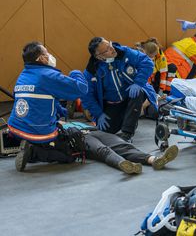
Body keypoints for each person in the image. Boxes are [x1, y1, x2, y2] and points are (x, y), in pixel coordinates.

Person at [7, 41, 88, 171]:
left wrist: (59, 110)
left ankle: (30, 146)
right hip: (38, 131)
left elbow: (39, 97)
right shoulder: (48, 75)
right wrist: (76, 72)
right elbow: (81, 89)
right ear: (42, 58)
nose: (49, 55)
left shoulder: (23, 74)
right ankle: (33, 151)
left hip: (15, 127)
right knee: (70, 155)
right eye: (47, 53)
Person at [81, 37, 157, 142]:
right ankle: (128, 119)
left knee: (138, 93)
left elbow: (146, 62)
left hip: (132, 94)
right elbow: (86, 95)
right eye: (107, 49)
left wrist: (138, 83)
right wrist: (98, 114)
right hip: (112, 103)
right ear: (99, 56)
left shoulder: (124, 52)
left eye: (110, 45)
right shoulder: (91, 71)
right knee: (106, 130)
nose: (112, 49)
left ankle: (127, 133)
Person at [84, 129, 178, 174]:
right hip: (78, 137)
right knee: (103, 150)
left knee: (124, 146)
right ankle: (127, 164)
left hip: (93, 130)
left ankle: (155, 160)